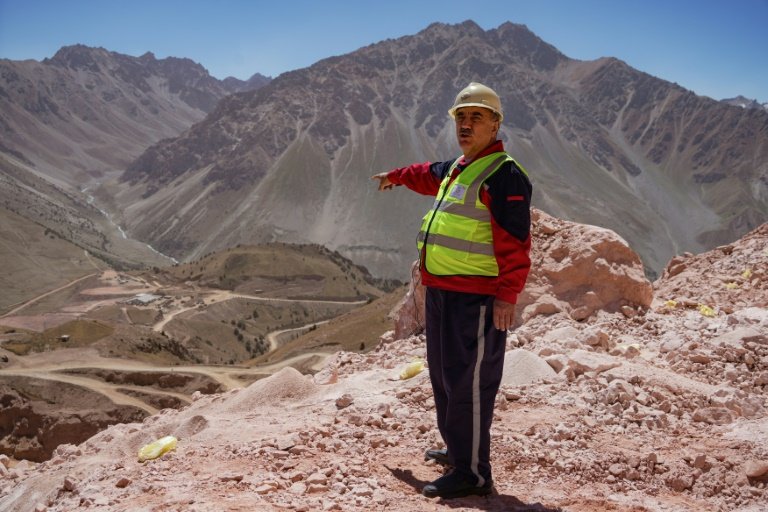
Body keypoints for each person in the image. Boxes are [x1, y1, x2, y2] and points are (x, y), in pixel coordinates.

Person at [372, 82, 532, 499]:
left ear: (496, 124)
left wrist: (507, 296)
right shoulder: (462, 167)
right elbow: (428, 174)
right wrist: (396, 177)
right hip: (443, 292)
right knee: (445, 377)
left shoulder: (504, 174)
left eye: (476, 116)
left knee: (470, 383)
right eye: (461, 117)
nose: (465, 123)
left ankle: (475, 474)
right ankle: (459, 453)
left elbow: (515, 243)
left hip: (477, 300)